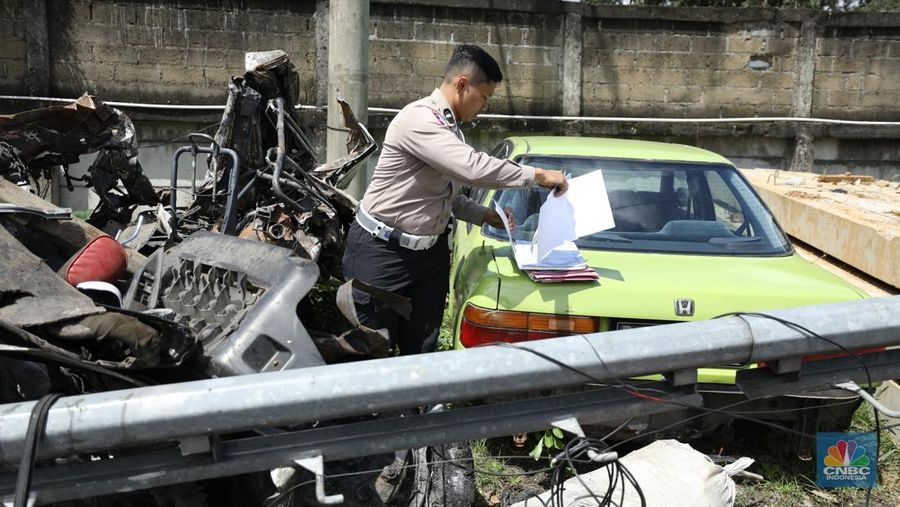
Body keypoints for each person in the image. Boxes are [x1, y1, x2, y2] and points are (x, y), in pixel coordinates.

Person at [342, 43, 568, 356]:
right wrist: (539, 175)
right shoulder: (419, 120)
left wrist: (483, 214)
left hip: (429, 255)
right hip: (382, 252)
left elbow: (442, 194)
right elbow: (472, 167)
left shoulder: (450, 127)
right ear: (463, 85)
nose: (485, 106)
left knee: (421, 349)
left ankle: (412, 407)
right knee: (369, 352)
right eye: (485, 96)